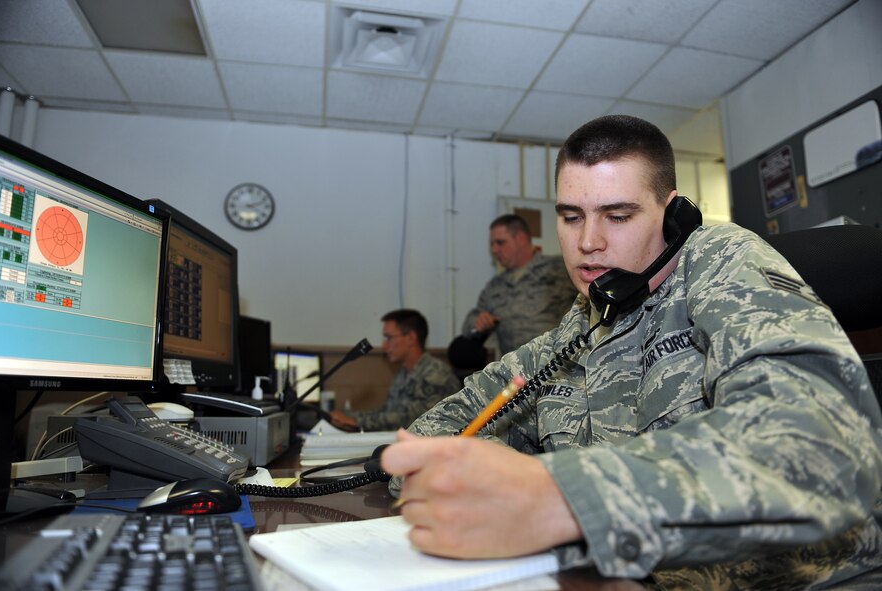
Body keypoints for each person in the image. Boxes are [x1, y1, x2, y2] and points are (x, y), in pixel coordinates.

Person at [381, 115, 882, 589]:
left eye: (617, 215)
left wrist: (560, 499)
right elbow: (439, 430)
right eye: (571, 217)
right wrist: (483, 482)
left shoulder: (716, 261)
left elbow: (820, 444)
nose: (588, 242)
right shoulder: (573, 333)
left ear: (674, 214)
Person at [462, 214, 577, 355]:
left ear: (521, 238)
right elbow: (469, 328)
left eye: (500, 243)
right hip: (516, 371)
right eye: (492, 244)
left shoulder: (560, 269)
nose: (494, 250)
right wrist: (477, 323)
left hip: (560, 367)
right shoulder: (494, 287)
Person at [329, 309, 460, 432]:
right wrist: (348, 417)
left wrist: (357, 421)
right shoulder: (403, 373)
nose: (384, 346)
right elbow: (387, 412)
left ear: (410, 338)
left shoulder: (436, 374)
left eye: (389, 338)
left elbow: (413, 419)